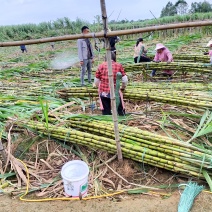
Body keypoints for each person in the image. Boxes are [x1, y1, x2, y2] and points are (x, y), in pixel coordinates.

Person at [94, 52, 128, 116]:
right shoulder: (119, 65)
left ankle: (108, 122)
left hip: (104, 92)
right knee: (120, 109)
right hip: (115, 91)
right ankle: (122, 119)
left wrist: (98, 87)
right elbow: (125, 80)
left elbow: (96, 81)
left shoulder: (101, 66)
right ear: (114, 57)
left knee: (106, 111)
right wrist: (123, 87)